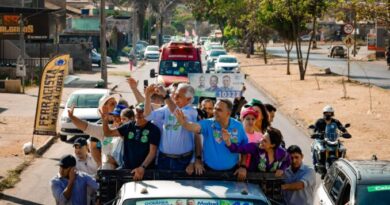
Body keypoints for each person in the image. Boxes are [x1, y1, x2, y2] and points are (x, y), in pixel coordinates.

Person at [175, 99, 248, 180]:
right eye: (215, 108)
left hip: (232, 173)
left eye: (219, 110)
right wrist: (184, 123)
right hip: (208, 172)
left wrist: (243, 166)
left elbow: (244, 148)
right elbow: (194, 127)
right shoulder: (208, 123)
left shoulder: (238, 126)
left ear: (228, 113)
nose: (215, 112)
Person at [144, 83, 199, 172]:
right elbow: (148, 116)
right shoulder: (167, 108)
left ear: (188, 99)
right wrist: (147, 96)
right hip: (164, 159)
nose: (175, 97)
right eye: (175, 94)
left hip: (183, 161)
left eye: (179, 96)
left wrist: (165, 95)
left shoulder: (192, 112)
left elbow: (177, 113)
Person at [101, 103, 160, 180]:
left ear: (149, 115)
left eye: (142, 112)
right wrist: (105, 121)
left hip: (145, 172)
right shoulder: (128, 126)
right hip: (127, 170)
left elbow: (152, 152)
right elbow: (108, 133)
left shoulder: (154, 129)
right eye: (137, 111)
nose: (138, 114)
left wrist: (142, 167)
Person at [67, 94, 122, 169]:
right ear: (104, 108)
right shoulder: (103, 128)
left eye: (116, 104)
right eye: (112, 104)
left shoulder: (127, 125)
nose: (115, 106)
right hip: (109, 170)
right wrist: (72, 118)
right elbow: (86, 128)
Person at [222, 127, 290, 177]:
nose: (260, 141)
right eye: (262, 138)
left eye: (265, 141)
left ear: (273, 145)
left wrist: (282, 169)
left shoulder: (281, 152)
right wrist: (228, 141)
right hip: (252, 184)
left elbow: (288, 160)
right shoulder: (254, 147)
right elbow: (238, 149)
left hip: (269, 188)